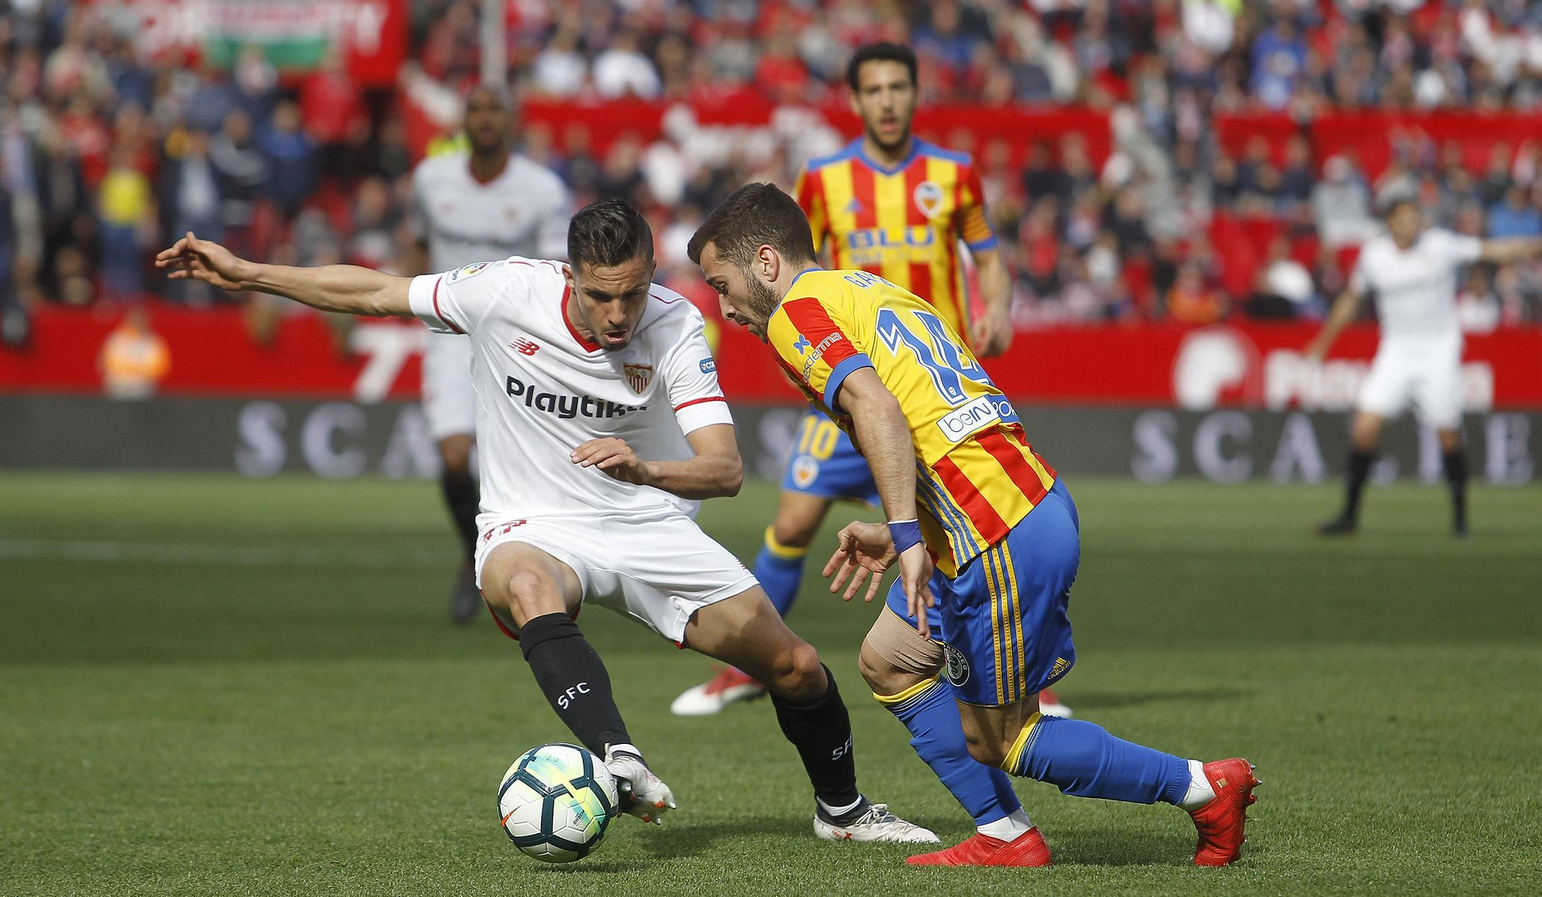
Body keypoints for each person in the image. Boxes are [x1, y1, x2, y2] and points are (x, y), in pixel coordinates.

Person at [154, 200, 934, 844]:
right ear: (568, 276)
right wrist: (249, 272)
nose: (618, 313)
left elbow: (725, 468)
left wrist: (644, 470)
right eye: (600, 296)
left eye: (632, 292)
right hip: (532, 520)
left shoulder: (676, 327)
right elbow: (372, 293)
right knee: (524, 581)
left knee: (795, 667)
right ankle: (618, 757)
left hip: (647, 522)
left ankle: (844, 813)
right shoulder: (504, 292)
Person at [689, 182, 1258, 867]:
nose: (724, 306)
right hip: (1005, 509)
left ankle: (1203, 787)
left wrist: (905, 534)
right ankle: (1005, 835)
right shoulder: (868, 290)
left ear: (768, 265)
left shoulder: (793, 317)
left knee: (1004, 739)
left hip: (994, 534)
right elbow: (939, 414)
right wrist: (912, 530)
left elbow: (879, 411)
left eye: (723, 283)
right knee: (890, 662)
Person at [670, 42, 1074, 721]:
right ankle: (748, 666)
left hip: (923, 382)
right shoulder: (825, 181)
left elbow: (987, 255)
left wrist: (996, 304)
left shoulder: (955, 174)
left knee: (976, 517)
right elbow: (796, 262)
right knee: (795, 521)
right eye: (874, 90)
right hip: (844, 368)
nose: (887, 101)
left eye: (898, 88)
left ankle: (1023, 673)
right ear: (856, 102)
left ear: (915, 94)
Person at [411, 86, 572, 625]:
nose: (484, 119)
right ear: (463, 118)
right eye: (475, 109)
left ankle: (536, 567)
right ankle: (474, 552)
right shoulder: (431, 180)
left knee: (527, 469)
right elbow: (417, 246)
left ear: (512, 120)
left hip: (513, 345)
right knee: (456, 459)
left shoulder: (542, 189)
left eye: (494, 110)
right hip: (448, 337)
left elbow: (553, 274)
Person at [1306, 197, 1542, 538]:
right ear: (1390, 223)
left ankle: (1460, 520)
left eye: (1417, 217)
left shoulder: (1440, 245)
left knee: (1448, 434)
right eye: (1406, 218)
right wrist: (1323, 341)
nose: (1414, 224)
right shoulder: (1374, 255)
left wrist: (1534, 245)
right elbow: (1350, 299)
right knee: (1364, 429)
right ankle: (1348, 517)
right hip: (1396, 351)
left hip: (1438, 350)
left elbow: (1494, 251)